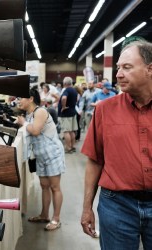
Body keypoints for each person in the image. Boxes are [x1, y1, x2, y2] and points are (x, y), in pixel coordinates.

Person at [80, 40, 152, 249]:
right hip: (117, 206)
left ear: (149, 69)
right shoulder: (104, 110)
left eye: (127, 67)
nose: (118, 74)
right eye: (118, 67)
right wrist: (87, 208)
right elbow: (95, 161)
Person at [16, 87, 65, 231]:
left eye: (21, 98)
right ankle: (44, 215)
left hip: (52, 154)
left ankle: (56, 219)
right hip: (40, 155)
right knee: (44, 186)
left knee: (55, 187)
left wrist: (23, 123)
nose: (19, 101)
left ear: (31, 99)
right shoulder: (29, 114)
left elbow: (35, 131)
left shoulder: (40, 111)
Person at [57, 76, 78, 153]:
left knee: (66, 131)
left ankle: (68, 148)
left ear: (65, 83)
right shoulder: (74, 90)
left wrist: (63, 106)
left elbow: (63, 98)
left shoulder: (66, 90)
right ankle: (72, 146)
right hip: (72, 112)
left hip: (66, 114)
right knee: (72, 131)